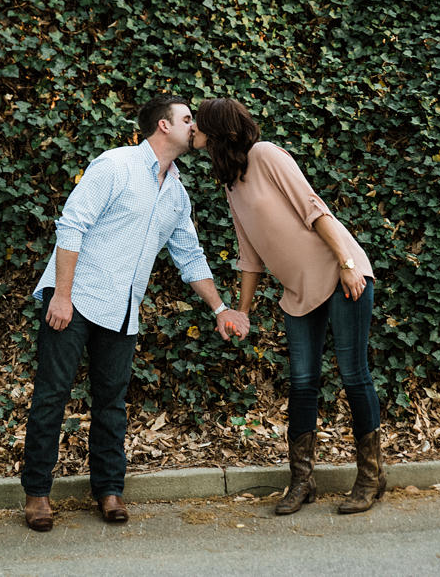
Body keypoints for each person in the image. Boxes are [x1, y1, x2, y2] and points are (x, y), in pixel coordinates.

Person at [22, 95, 250, 532]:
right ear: (163, 126)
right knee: (51, 397)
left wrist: (221, 309)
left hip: (123, 311)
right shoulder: (115, 165)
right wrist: (61, 295)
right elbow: (72, 225)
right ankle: (37, 495)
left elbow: (190, 256)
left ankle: (108, 491)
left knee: (112, 405)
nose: (195, 125)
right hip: (76, 299)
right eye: (187, 118)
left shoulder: (177, 194)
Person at [191, 97, 383, 516]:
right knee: (301, 383)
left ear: (217, 130)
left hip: (339, 276)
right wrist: (241, 311)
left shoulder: (266, 155)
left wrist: (348, 265)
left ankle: (370, 476)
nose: (192, 131)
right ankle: (302, 481)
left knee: (353, 375)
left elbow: (316, 210)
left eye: (198, 124)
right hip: (297, 293)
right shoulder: (231, 181)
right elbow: (249, 256)